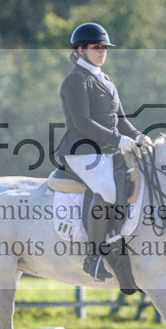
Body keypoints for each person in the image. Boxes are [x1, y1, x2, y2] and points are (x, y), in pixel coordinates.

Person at [55, 22, 151, 281]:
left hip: (107, 149)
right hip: (81, 150)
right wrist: (119, 141)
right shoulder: (75, 80)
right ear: (81, 49)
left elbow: (120, 119)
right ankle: (94, 258)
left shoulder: (106, 79)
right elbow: (82, 122)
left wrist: (140, 136)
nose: (102, 52)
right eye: (96, 48)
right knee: (107, 190)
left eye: (104, 48)